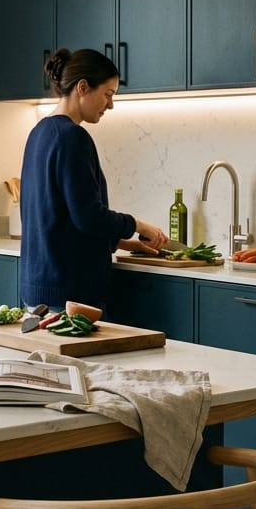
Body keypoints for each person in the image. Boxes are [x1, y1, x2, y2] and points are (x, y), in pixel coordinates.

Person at [19, 47, 168, 318]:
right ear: (83, 87)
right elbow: (89, 216)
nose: (110, 105)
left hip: (38, 290)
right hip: (70, 294)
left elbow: (58, 217)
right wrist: (137, 224)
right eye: (108, 94)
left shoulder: (38, 133)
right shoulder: (72, 137)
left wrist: (121, 243)